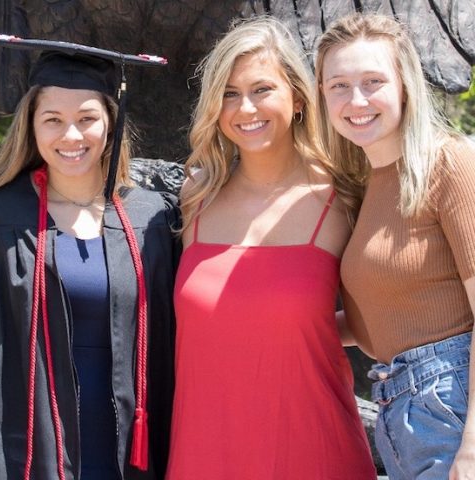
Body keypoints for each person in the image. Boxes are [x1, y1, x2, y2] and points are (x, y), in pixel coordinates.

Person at [0, 37, 179, 480]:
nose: (71, 135)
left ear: (111, 123)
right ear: (30, 126)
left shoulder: (152, 218)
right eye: (52, 119)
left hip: (129, 448)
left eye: (87, 118)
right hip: (25, 450)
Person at [165, 16, 376, 479]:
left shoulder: (344, 197)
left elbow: (379, 316)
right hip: (203, 456)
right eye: (229, 93)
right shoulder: (194, 197)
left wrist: (297, 326)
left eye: (262, 89)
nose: (245, 108)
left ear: (298, 98)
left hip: (317, 451)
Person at [315, 12, 475, 480]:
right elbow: (381, 315)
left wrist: (472, 447)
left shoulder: (450, 163)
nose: (356, 99)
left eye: (372, 81)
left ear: (405, 84)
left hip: (451, 403)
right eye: (338, 85)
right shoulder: (367, 186)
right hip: (400, 404)